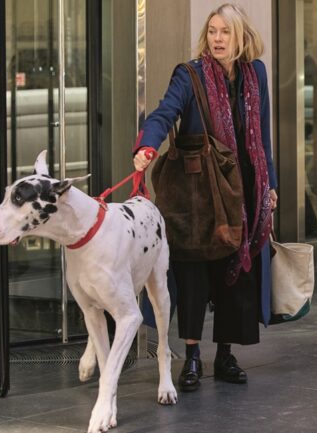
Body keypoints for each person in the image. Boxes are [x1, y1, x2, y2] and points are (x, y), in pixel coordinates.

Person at [132, 3, 278, 392]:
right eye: (212, 31)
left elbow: (262, 137)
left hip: (243, 188)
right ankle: (192, 356)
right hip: (200, 190)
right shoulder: (190, 74)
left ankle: (226, 354)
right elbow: (164, 113)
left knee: (237, 271)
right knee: (194, 271)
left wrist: (271, 185)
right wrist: (148, 145)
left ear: (241, 35)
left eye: (225, 32)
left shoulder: (255, 73)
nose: (217, 38)